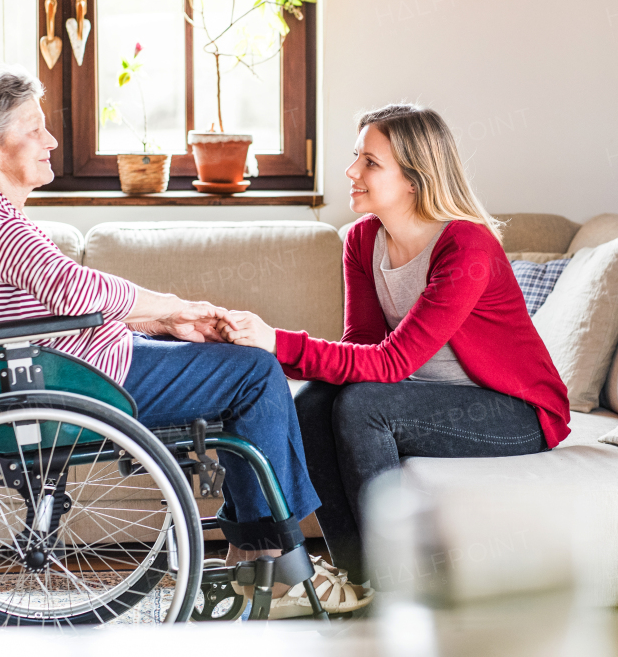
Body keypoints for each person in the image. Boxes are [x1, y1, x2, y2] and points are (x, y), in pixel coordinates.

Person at [0, 68, 364, 617]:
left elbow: (59, 313)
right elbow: (77, 288)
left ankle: (256, 561)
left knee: (240, 366)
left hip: (67, 368)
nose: (51, 141)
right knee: (254, 371)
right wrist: (174, 306)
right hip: (77, 383)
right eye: (35, 129)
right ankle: (276, 563)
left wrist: (158, 324)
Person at [225, 103, 572, 588]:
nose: (351, 171)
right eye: (356, 157)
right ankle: (357, 576)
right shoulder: (363, 239)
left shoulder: (466, 246)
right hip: (434, 397)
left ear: (414, 179)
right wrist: (277, 362)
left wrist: (276, 342)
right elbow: (362, 347)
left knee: (365, 407)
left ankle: (393, 582)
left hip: (516, 412)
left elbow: (391, 363)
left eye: (370, 162)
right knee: (313, 404)